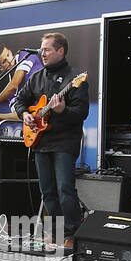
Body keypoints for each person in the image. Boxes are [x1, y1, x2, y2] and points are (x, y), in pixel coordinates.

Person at [12, 32, 89, 248]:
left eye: (46, 50)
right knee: (47, 191)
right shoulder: (36, 77)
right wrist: (25, 115)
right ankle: (56, 232)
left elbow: (81, 112)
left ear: (60, 51)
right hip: (41, 141)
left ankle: (72, 234)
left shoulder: (75, 79)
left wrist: (63, 110)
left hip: (64, 141)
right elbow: (20, 100)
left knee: (65, 189)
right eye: (41, 49)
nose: (42, 53)